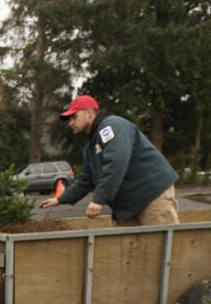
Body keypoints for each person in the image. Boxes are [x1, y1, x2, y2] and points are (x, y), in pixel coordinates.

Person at [38, 95, 179, 226]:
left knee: (163, 246)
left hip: (151, 195)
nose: (71, 123)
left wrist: (99, 199)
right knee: (119, 248)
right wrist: (60, 199)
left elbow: (116, 162)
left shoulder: (112, 127)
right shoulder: (91, 148)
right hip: (127, 206)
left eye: (74, 117)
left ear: (89, 113)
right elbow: (86, 180)